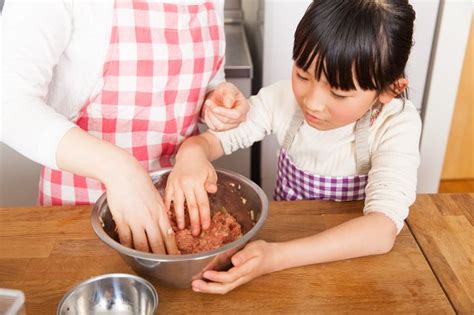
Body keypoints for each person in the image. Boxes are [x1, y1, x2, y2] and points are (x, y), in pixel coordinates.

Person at [166, 0, 421, 294]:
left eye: (338, 93)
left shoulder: (396, 124)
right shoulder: (283, 100)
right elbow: (216, 140)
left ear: (390, 89)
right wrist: (193, 151)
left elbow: (381, 230)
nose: (311, 101)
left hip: (350, 266)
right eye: (302, 75)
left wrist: (276, 256)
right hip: (279, 254)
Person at [1, 0, 249, 255]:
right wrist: (118, 170)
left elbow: (205, 79)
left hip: (179, 207)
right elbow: (8, 103)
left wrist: (212, 101)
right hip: (78, 212)